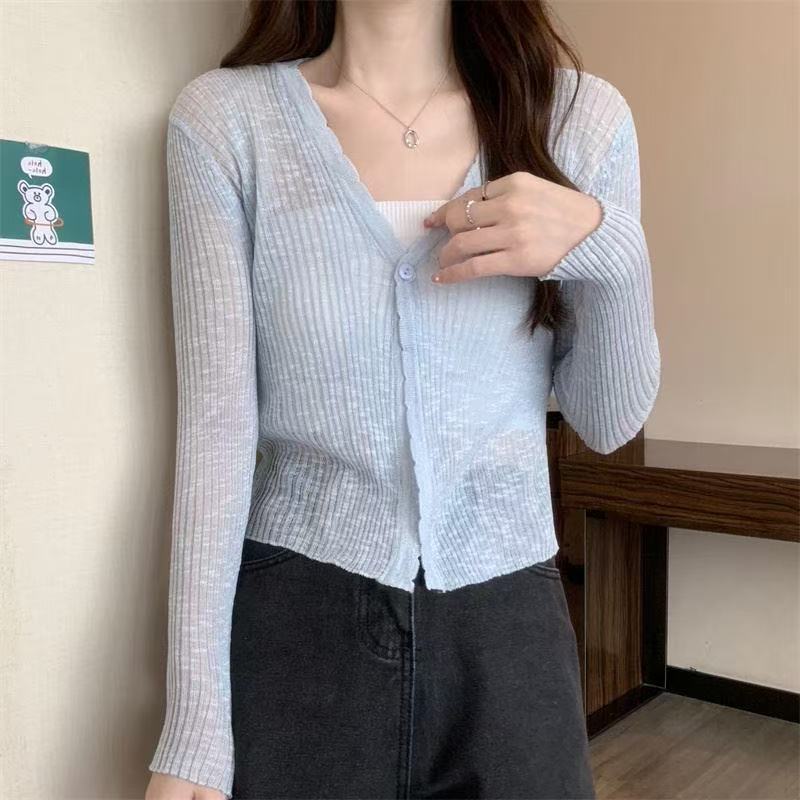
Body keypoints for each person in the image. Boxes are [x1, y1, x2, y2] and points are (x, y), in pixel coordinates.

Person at [145, 1, 660, 798]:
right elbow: (216, 432)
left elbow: (608, 419)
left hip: (511, 626)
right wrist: (195, 728)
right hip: (299, 615)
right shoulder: (227, 121)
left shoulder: (578, 119)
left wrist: (607, 244)